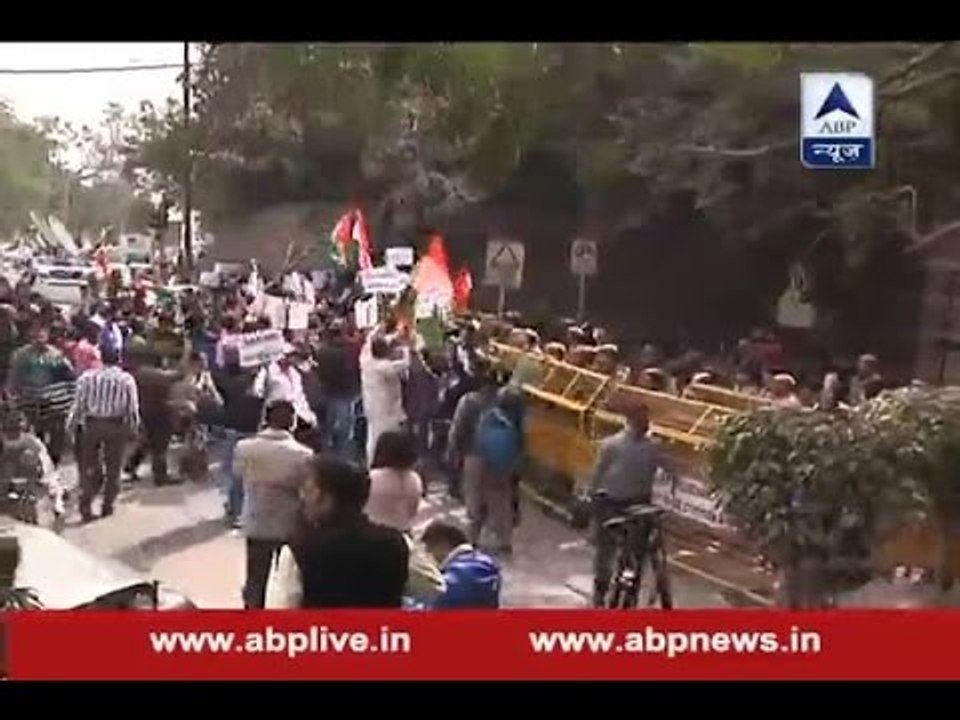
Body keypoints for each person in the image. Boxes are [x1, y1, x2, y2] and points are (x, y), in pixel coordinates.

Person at [264, 456, 409, 609]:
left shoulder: (299, 549)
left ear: (326, 497)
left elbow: (280, 611)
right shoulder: (396, 543)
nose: (302, 497)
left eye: (308, 490)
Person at [588, 402, 674, 607]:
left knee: (626, 552)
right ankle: (606, 590)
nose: (645, 424)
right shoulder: (617, 445)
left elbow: (669, 470)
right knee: (612, 551)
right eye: (642, 420)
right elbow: (598, 473)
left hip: (630, 504)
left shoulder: (648, 446)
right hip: (620, 504)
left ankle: (619, 592)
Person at [233, 400, 313, 609]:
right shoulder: (303, 455)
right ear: (292, 422)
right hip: (290, 523)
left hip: (256, 520)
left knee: (255, 578)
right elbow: (306, 490)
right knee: (291, 580)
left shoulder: (244, 448)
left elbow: (238, 474)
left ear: (265, 419)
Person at [66, 346, 140, 522]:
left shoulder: (87, 378)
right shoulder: (126, 379)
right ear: (119, 360)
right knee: (114, 469)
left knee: (90, 467)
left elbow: (78, 405)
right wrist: (134, 428)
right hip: (116, 426)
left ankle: (86, 506)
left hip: (92, 425)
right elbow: (132, 408)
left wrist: (70, 426)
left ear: (100, 359)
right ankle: (107, 506)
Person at [464, 387, 525, 556]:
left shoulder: (487, 416)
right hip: (501, 468)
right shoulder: (514, 424)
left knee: (475, 503)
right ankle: (504, 542)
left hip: (477, 462)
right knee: (501, 504)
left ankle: (472, 540)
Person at [6, 318, 75, 466]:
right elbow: (14, 379)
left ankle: (53, 464)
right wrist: (12, 400)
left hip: (55, 406)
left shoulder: (57, 355)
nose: (39, 336)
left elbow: (70, 377)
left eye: (42, 333)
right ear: (31, 334)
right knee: (35, 439)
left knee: (57, 438)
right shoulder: (21, 355)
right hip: (31, 405)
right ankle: (39, 466)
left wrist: (71, 400)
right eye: (36, 333)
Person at [0, 409, 66, 519]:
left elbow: (47, 469)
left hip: (31, 482)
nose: (12, 433)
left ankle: (57, 504)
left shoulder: (32, 443)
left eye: (14, 429)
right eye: (8, 430)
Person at [420, 520, 501, 609]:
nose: (431, 555)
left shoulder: (452, 581)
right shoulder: (488, 564)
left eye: (431, 548)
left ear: (442, 544)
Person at [446, 367, 498, 501]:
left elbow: (458, 426)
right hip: (495, 452)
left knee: (472, 488)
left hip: (472, 450)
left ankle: (473, 514)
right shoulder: (501, 403)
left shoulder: (469, 401)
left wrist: (453, 448)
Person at [360, 326, 409, 466]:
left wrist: (388, 333)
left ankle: (372, 464)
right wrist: (406, 348)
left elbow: (368, 343)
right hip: (385, 409)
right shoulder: (384, 367)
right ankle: (379, 464)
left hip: (371, 405)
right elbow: (406, 364)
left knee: (372, 436)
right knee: (382, 438)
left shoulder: (366, 361)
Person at [314, 320, 361, 459]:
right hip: (344, 393)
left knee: (328, 431)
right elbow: (354, 370)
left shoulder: (322, 350)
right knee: (343, 432)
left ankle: (328, 457)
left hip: (327, 392)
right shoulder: (350, 351)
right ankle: (341, 461)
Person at [366, 430, 423, 532]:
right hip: (401, 533)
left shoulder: (370, 478)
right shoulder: (414, 479)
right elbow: (412, 513)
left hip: (372, 534)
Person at [252, 344, 317, 430]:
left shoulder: (295, 375)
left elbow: (300, 397)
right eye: (295, 357)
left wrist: (310, 416)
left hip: (293, 417)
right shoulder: (268, 370)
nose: (297, 361)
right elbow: (257, 392)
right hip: (274, 415)